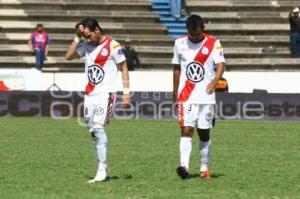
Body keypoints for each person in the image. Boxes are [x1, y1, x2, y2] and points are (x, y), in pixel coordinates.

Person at [65, 17, 130, 183]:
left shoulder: (112, 45)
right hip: (89, 95)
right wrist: (77, 38)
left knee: (98, 128)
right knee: (93, 133)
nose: (87, 39)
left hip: (105, 93)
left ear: (97, 30)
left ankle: (102, 168)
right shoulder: (86, 45)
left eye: (88, 35)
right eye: (84, 36)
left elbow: (123, 68)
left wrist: (126, 92)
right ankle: (101, 167)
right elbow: (68, 56)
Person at [172, 14, 225, 180]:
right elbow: (176, 68)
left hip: (206, 96)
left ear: (203, 29)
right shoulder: (179, 43)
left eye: (197, 34)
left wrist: (215, 81)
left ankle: (204, 168)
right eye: (191, 34)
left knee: (204, 133)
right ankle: (184, 167)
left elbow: (221, 65)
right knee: (186, 130)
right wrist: (174, 92)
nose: (194, 37)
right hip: (186, 95)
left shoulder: (213, 43)